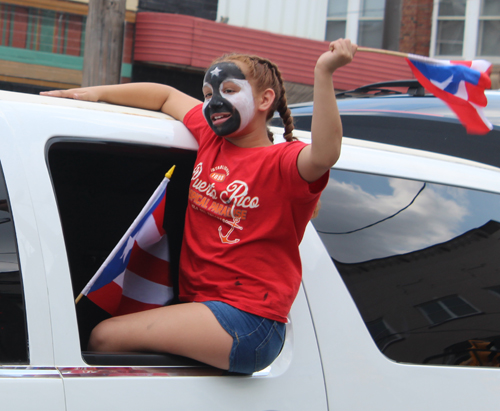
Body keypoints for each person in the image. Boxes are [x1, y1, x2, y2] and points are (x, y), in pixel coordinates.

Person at [41, 38, 357, 374]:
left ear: (266, 100)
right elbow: (164, 96)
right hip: (206, 310)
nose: (215, 101)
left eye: (230, 90)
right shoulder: (210, 138)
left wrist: (324, 72)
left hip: (249, 320)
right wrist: (95, 94)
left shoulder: (282, 162)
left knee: (105, 338)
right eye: (208, 94)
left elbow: (325, 153)